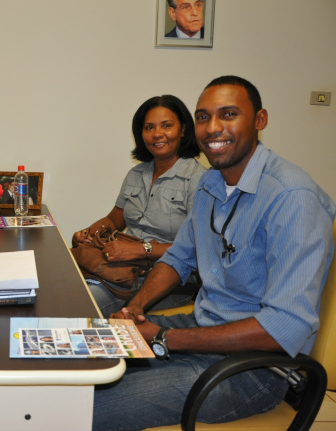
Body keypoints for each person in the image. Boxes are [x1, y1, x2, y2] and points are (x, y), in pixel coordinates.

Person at [92, 76, 336, 430]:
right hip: (202, 328)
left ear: (260, 120)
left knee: (84, 404)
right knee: (77, 361)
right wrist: (136, 308)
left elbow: (285, 328)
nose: (213, 128)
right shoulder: (211, 183)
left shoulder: (293, 199)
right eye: (204, 117)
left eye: (229, 114)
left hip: (253, 370)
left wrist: (164, 338)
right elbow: (178, 258)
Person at [72, 95, 206, 316]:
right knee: (61, 288)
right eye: (149, 127)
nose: (157, 134)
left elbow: (198, 249)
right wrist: (88, 233)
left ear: (183, 130)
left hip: (166, 280)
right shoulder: (136, 174)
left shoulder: (199, 179)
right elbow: (114, 219)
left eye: (167, 125)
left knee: (80, 306)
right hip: (119, 269)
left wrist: (141, 249)